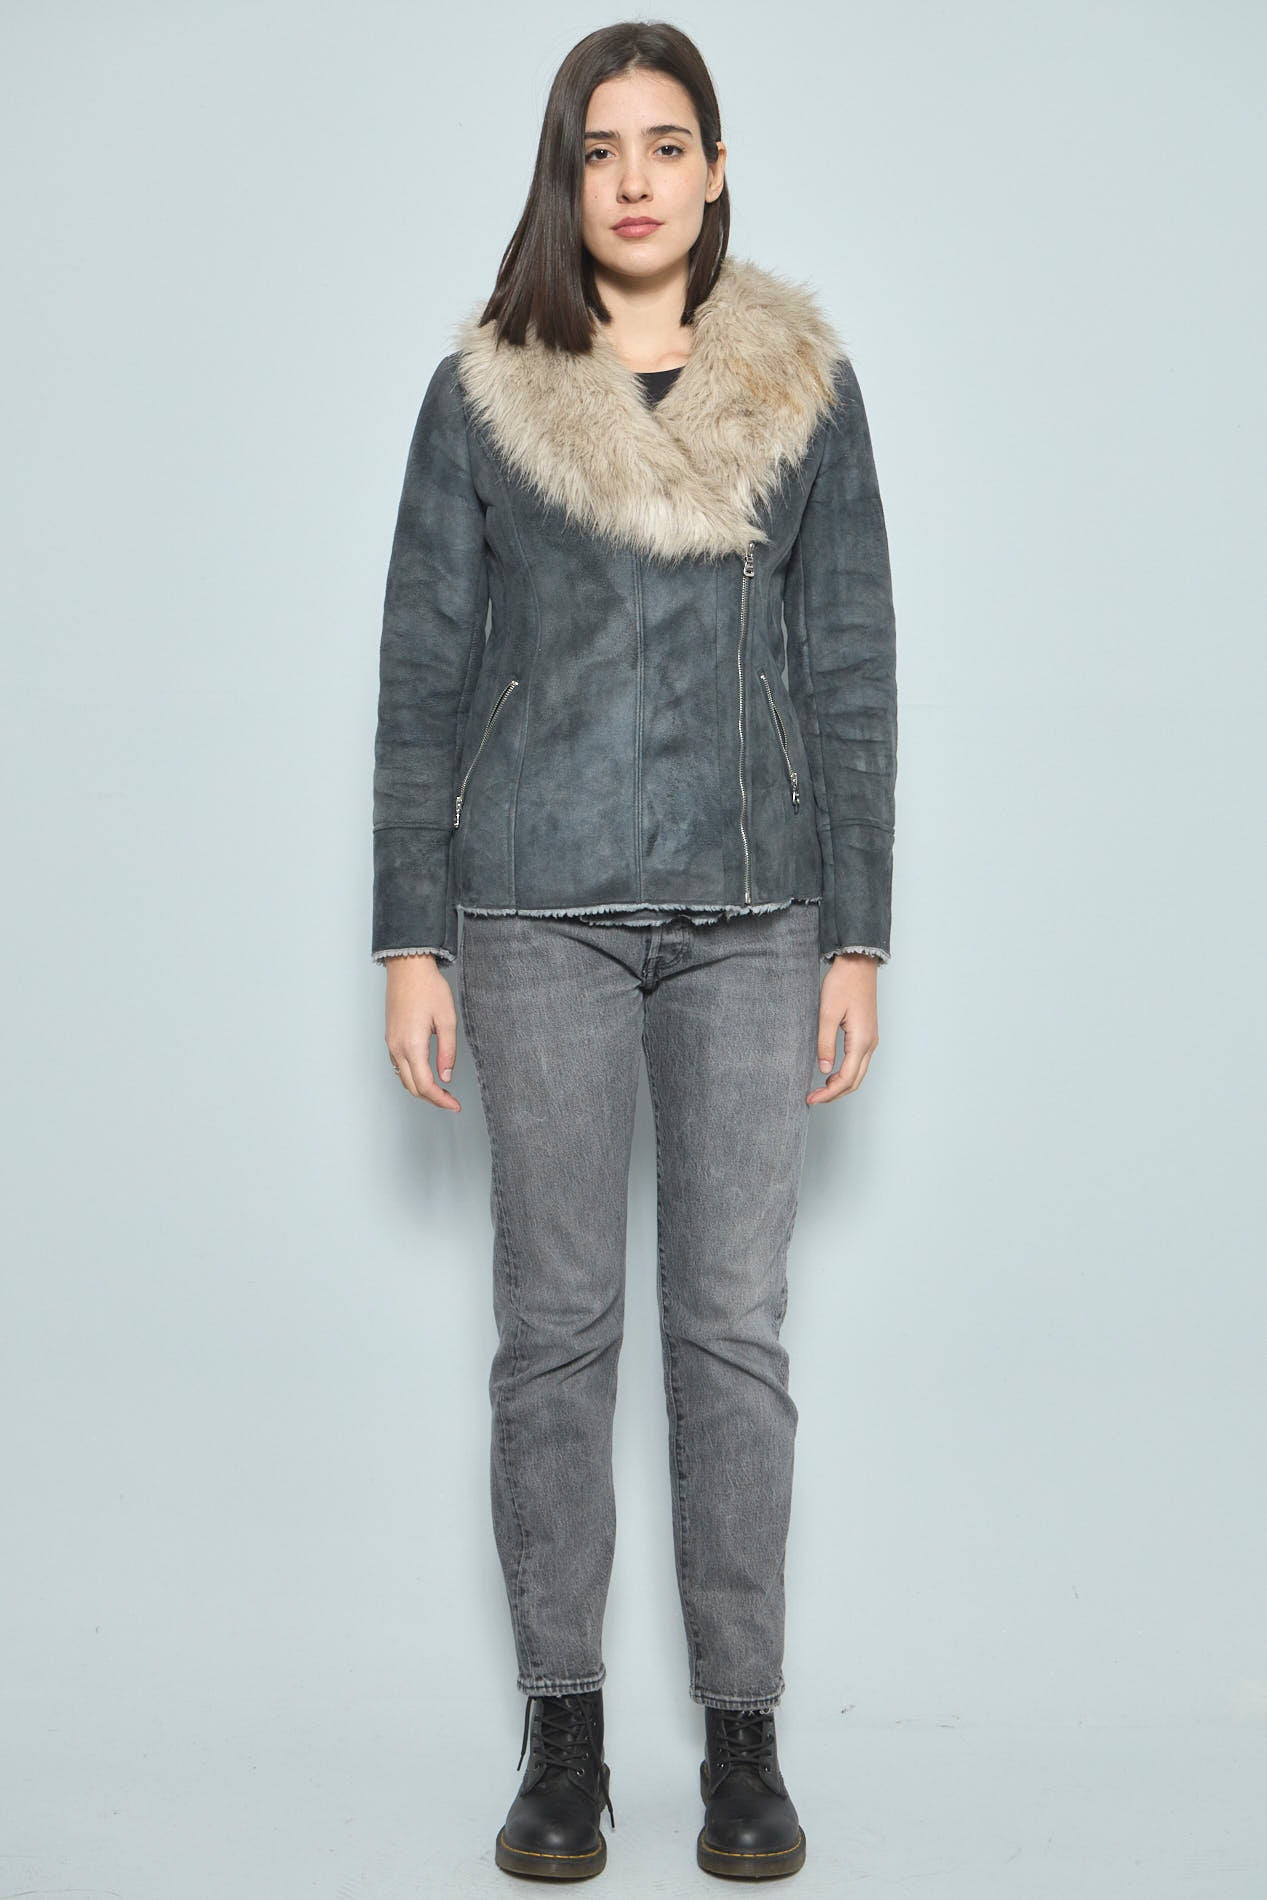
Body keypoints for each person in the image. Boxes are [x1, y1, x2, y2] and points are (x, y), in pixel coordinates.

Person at [371, 20, 898, 1883]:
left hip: (760, 914)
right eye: (602, 150)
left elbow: (850, 667)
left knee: (732, 1331)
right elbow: (422, 672)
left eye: (668, 145)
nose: (637, 180)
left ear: (717, 168)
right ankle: (564, 1737)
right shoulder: (485, 393)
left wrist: (861, 936)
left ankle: (745, 1741)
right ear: (566, 175)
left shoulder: (805, 388)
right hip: (533, 909)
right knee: (555, 1332)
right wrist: (408, 938)